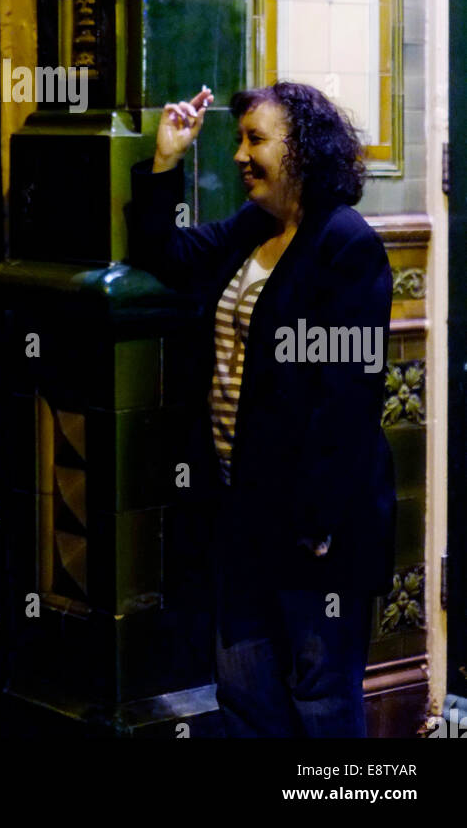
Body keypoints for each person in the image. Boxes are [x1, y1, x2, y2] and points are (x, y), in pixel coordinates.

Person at [129, 80, 396, 738]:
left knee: (321, 702)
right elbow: (166, 255)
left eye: (256, 139)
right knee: (248, 702)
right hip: (239, 508)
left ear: (302, 147)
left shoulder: (345, 243)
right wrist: (166, 160)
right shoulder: (257, 227)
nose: (240, 155)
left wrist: (317, 516)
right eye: (237, 139)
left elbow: (347, 392)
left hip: (313, 527)